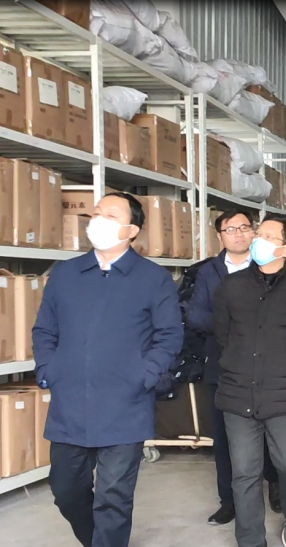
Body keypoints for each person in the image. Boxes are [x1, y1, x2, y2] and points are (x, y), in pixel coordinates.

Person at [32, 192, 184, 547]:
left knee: (113, 497)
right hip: (70, 404)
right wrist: (49, 369)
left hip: (125, 405)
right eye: (96, 212)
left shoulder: (153, 278)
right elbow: (44, 330)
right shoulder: (66, 274)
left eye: (111, 215)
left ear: (131, 230)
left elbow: (169, 336)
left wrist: (144, 376)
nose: (98, 219)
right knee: (66, 491)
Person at [213, 214, 286, 547]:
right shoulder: (231, 286)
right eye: (258, 233)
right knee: (245, 472)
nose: (256, 240)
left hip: (283, 393)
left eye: (267, 236)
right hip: (237, 393)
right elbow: (222, 333)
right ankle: (251, 539)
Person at [186, 209, 282, 525]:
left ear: (253, 232)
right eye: (230, 229)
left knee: (270, 432)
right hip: (223, 366)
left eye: (244, 227)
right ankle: (228, 501)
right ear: (219, 236)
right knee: (225, 438)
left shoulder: (269, 265)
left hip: (266, 368)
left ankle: (276, 487)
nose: (238, 234)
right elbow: (196, 315)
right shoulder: (207, 272)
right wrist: (235, 325)